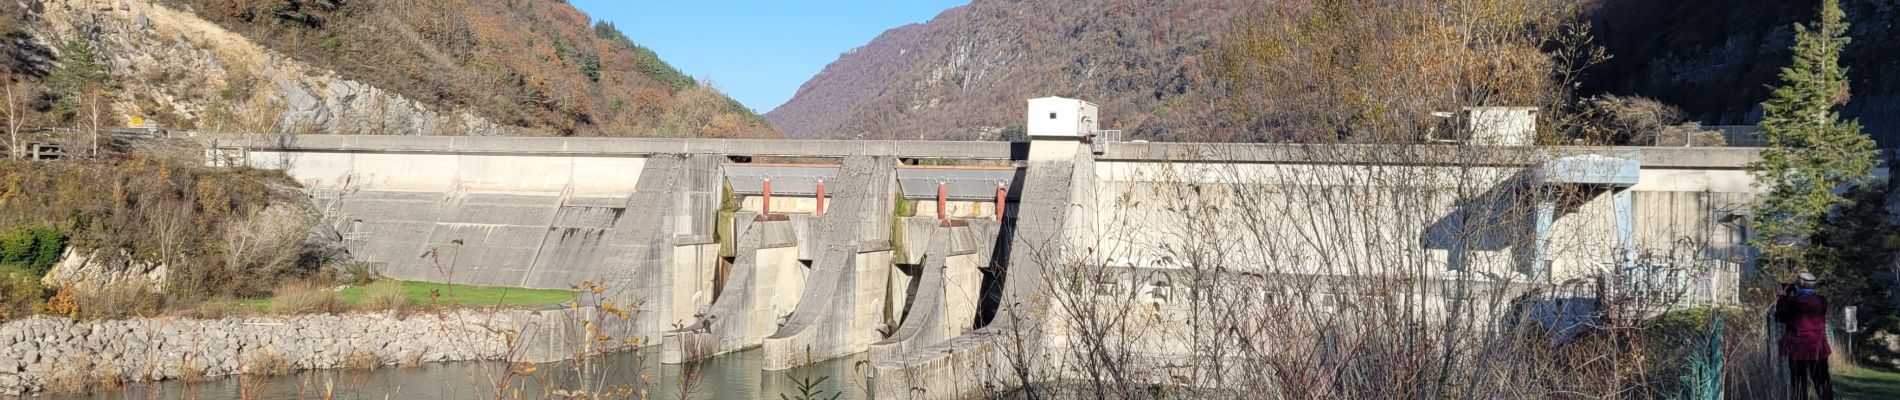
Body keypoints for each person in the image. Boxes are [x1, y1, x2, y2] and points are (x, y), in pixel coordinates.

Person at [1775, 271, 1833, 400]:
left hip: (1797, 348)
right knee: (1822, 380)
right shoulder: (1822, 301)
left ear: (1799, 284)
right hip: (1818, 347)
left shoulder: (1792, 302)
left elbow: (1779, 317)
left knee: (1799, 382)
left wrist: (1782, 297)